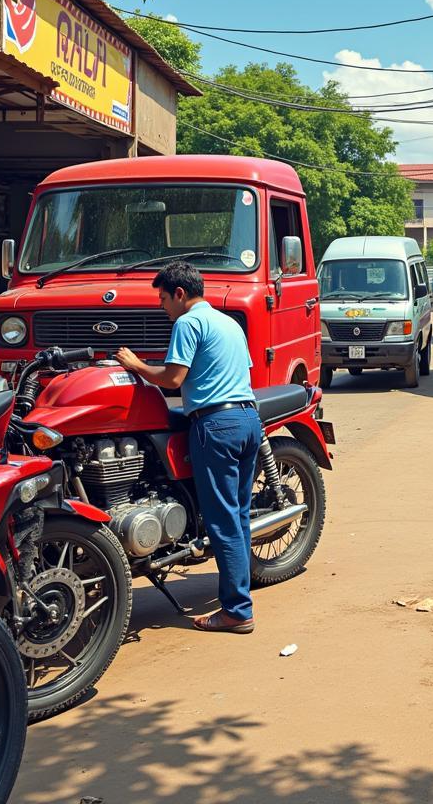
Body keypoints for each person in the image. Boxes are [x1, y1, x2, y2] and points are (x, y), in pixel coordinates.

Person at [114, 261, 261, 635]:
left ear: (180, 294)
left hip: (216, 426)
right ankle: (238, 596)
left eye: (163, 299)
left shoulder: (188, 323)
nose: (163, 308)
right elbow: (241, 372)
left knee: (223, 522)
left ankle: (238, 611)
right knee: (238, 517)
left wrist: (135, 364)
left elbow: (173, 379)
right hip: (247, 420)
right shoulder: (229, 323)